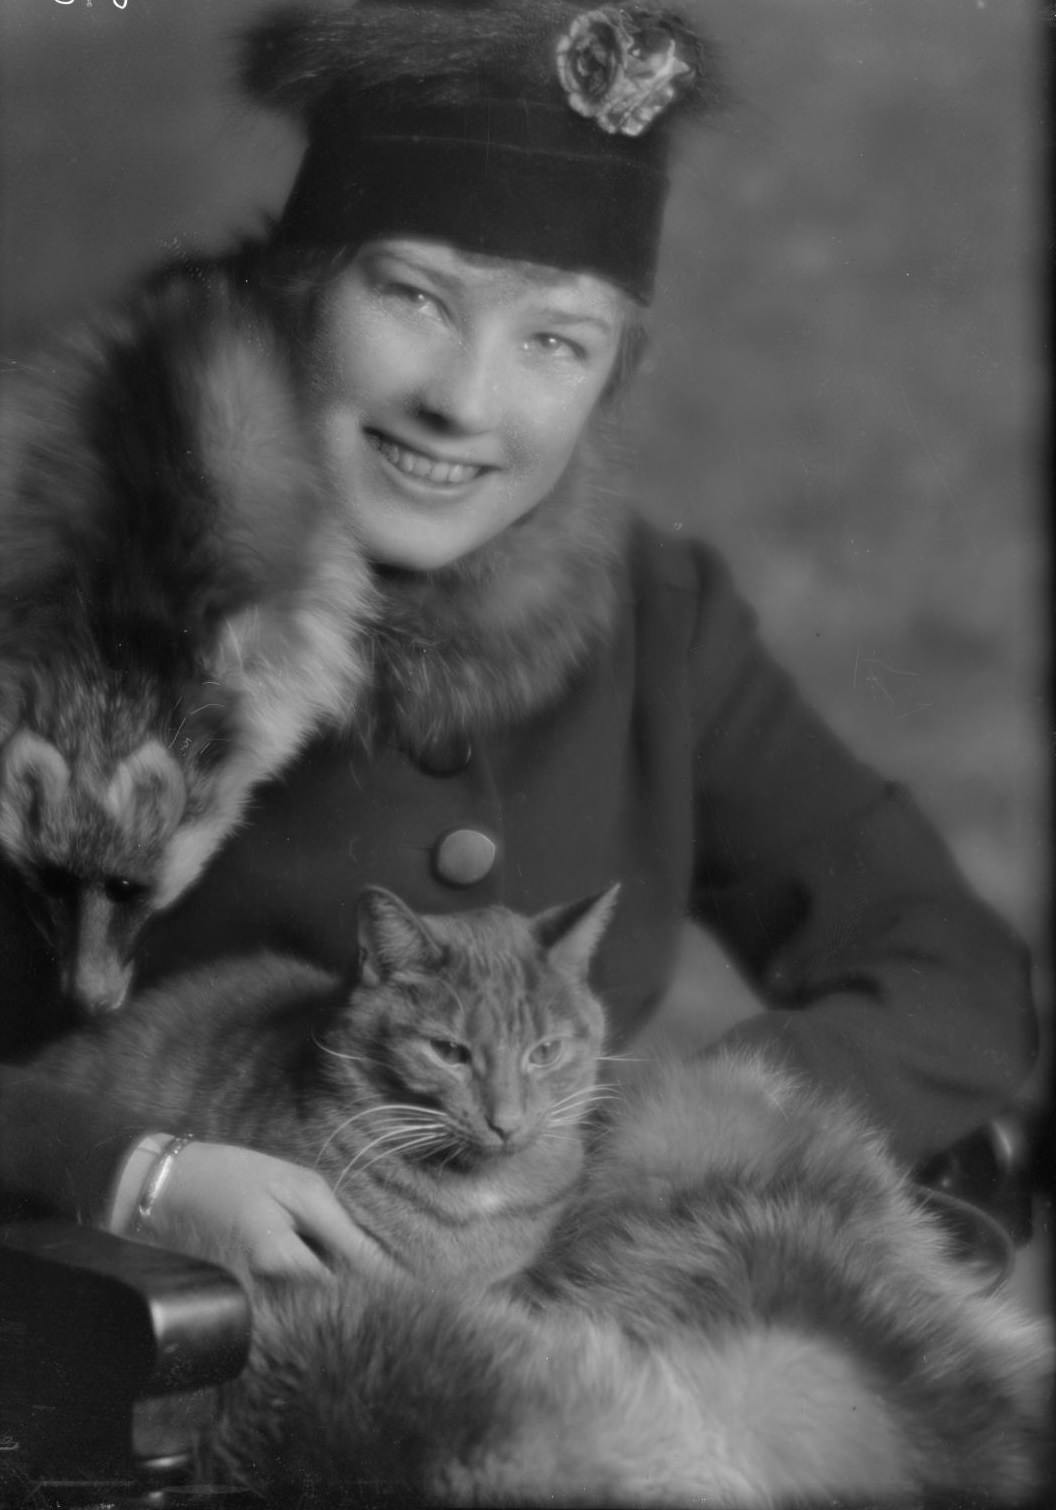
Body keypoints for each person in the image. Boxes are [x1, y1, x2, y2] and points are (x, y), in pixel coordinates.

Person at [0, 0, 1037, 1279]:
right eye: (416, 296)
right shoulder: (53, 580)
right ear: (293, 297)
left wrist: (653, 1141)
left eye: (556, 338)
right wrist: (122, 1171)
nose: (467, 402)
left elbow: (955, 972)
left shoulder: (662, 614)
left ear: (611, 380)